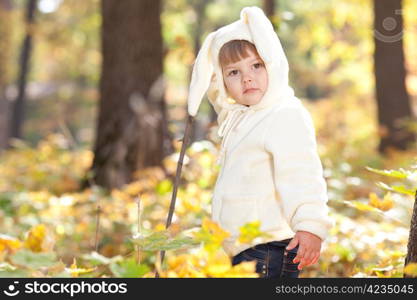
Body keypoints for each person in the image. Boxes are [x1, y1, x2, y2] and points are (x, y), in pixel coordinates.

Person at [186, 6, 334, 278]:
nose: (247, 77)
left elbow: (302, 172)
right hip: (243, 246)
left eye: (256, 65)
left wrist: (310, 225)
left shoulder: (284, 113)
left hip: (271, 246)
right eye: (233, 72)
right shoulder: (243, 118)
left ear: (272, 63)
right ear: (222, 82)